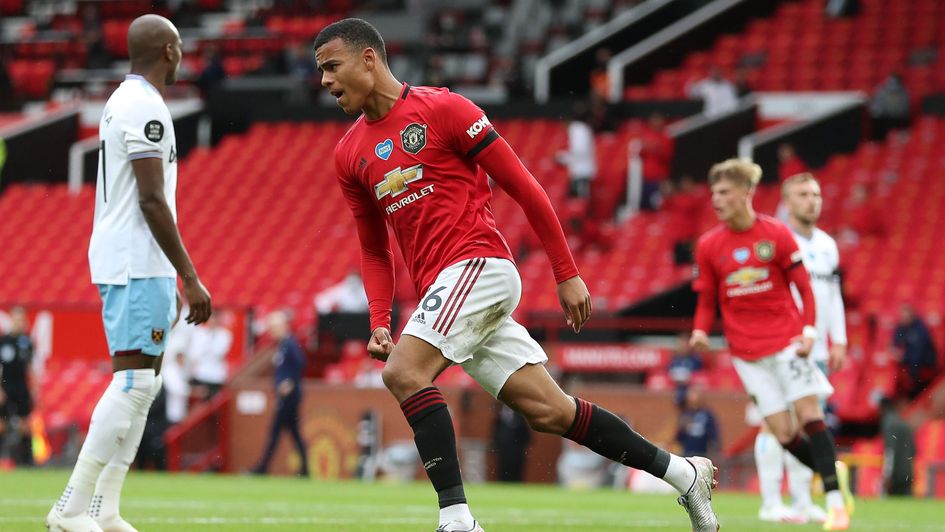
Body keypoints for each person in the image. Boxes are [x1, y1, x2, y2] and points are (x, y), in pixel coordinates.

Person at [315, 18, 719, 532]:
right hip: (445, 289)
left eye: (332, 66)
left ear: (368, 58)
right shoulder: (349, 153)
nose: (325, 81)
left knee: (403, 374)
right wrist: (378, 317)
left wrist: (565, 271)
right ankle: (684, 474)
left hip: (479, 266)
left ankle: (457, 521)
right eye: (321, 72)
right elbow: (374, 250)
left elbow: (526, 187)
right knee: (550, 412)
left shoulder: (444, 109)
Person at [47, 14, 212, 532]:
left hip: (139, 262)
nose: (182, 53)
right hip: (137, 263)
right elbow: (151, 199)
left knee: (145, 384)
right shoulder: (144, 107)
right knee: (135, 383)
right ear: (168, 51)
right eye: (179, 45)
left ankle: (106, 508)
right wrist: (190, 274)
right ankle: (72, 507)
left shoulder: (126, 99)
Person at [689, 159, 853, 530]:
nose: (716, 199)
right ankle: (832, 474)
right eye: (713, 192)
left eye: (724, 192)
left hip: (785, 343)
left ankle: (834, 503)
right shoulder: (709, 245)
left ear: (746, 193)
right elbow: (705, 300)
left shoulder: (776, 234)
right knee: (782, 433)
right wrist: (700, 330)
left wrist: (809, 332)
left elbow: (805, 289)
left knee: (810, 414)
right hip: (746, 354)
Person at [753, 173, 849, 523]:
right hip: (783, 347)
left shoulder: (827, 244)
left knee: (809, 424)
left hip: (817, 351)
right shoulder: (776, 240)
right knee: (774, 425)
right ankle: (768, 501)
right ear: (787, 201)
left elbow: (832, 294)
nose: (813, 200)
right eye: (804, 194)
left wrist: (838, 338)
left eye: (816, 194)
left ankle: (800, 501)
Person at [251, 311, 309, 477]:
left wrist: (289, 382)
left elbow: (300, 363)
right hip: (287, 397)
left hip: (288, 398)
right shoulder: (284, 344)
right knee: (293, 434)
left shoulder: (289, 344)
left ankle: (263, 467)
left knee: (276, 432)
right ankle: (305, 469)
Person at [0, 307, 34, 465]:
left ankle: (28, 462)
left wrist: (35, 390)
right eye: (16, 319)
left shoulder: (27, 342)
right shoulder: (3, 342)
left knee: (25, 424)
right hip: (5, 387)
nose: (19, 323)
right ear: (11, 320)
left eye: (22, 320)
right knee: (1, 424)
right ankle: (2, 458)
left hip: (21, 387)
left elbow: (31, 368)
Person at [892, 304, 939, 401]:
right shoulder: (902, 326)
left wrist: (902, 357)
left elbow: (918, 355)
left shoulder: (921, 330)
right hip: (911, 363)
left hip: (924, 365)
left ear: (912, 316)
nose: (903, 319)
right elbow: (895, 342)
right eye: (901, 317)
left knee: (913, 367)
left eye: (905, 317)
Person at [187, 313, 232, 401]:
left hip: (216, 376)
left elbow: (218, 353)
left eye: (214, 319)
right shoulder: (199, 333)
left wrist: (212, 337)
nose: (212, 322)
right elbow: (194, 353)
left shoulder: (225, 334)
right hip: (200, 374)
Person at [556, 102, 596, 199]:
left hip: (581, 172)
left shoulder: (577, 129)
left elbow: (580, 151)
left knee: (580, 201)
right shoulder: (581, 128)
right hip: (580, 171)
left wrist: (562, 158)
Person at [676, 386, 719, 458]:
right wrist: (682, 428)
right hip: (687, 454)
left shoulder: (707, 414)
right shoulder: (685, 414)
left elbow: (713, 435)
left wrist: (714, 451)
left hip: (703, 454)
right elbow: (678, 437)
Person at [492, 404, 531, 482]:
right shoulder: (499, 417)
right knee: (502, 473)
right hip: (503, 453)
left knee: (516, 474)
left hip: (517, 453)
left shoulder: (520, 416)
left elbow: (527, 436)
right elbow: (495, 434)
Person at [869, 74, 910, 141]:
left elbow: (904, 112)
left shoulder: (904, 93)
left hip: (898, 122)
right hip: (883, 120)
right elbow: (875, 110)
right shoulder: (881, 91)